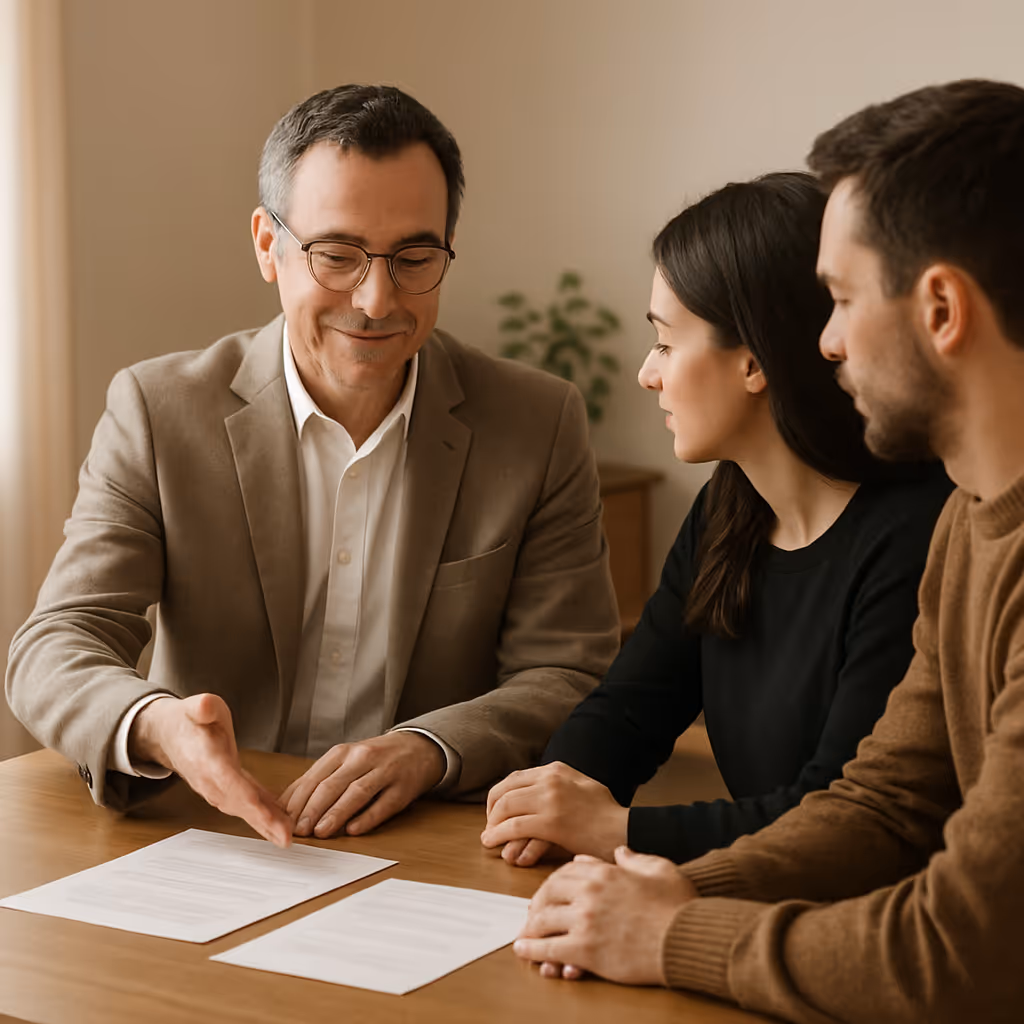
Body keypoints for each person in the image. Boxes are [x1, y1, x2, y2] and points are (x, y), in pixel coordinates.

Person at [514, 79, 1024, 1024]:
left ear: (941, 310)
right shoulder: (972, 521)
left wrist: (670, 932)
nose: (821, 342)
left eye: (836, 299)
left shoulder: (935, 527)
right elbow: (883, 806)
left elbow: (963, 948)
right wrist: (672, 896)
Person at [5, 85, 619, 849]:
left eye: (414, 258)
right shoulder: (159, 411)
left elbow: (569, 673)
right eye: (337, 255)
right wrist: (157, 725)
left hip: (426, 840)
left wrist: (428, 750)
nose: (375, 299)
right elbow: (56, 642)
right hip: (214, 832)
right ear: (269, 245)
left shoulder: (535, 422)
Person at [482, 172, 951, 869]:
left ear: (756, 360)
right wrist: (553, 795)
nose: (648, 373)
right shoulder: (729, 507)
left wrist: (618, 831)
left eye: (667, 344)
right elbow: (630, 707)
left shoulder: (916, 535)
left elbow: (838, 820)